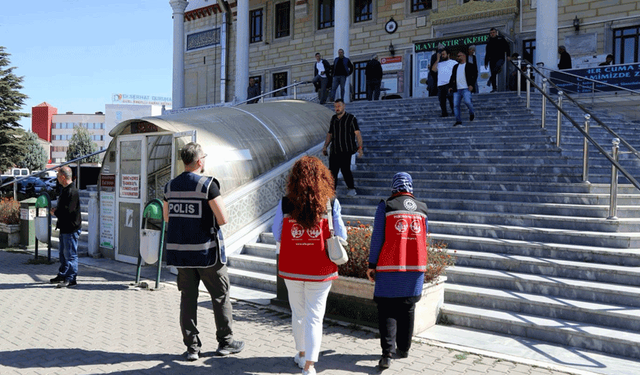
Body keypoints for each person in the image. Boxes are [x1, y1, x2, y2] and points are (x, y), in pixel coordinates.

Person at [162, 142, 244, 361]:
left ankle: (192, 348)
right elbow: (223, 218)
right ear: (200, 161)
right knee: (220, 296)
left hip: (181, 254)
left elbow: (167, 217)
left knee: (188, 298)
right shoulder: (208, 185)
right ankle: (225, 343)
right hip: (207, 254)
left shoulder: (169, 187)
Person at [272, 156, 348, 375]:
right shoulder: (330, 203)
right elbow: (341, 234)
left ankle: (302, 354)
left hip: (292, 267)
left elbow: (278, 234)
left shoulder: (285, 202)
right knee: (315, 316)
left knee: (298, 313)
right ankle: (310, 367)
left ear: (294, 179)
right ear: (323, 177)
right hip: (321, 268)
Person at [366, 172, 428, 369]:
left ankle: (387, 354)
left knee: (387, 308)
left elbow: (377, 237)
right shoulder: (422, 208)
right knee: (408, 307)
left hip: (389, 266)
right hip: (415, 266)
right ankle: (405, 348)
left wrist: (371, 265)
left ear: (394, 186)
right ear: (410, 186)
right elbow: (425, 237)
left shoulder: (386, 206)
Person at [322, 99, 364, 196]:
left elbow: (357, 134)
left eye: (339, 106)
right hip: (335, 150)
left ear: (344, 106)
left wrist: (360, 147)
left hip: (346, 149)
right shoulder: (333, 119)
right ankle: (331, 192)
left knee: (345, 170)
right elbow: (330, 133)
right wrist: (325, 146)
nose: (337, 108)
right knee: (332, 172)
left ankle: (351, 188)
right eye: (335, 106)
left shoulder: (351, 118)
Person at [49, 166, 81, 288]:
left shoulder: (72, 191)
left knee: (70, 255)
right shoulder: (65, 190)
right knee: (63, 254)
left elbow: (69, 212)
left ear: (63, 177)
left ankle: (71, 278)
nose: (57, 179)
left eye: (57, 176)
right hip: (64, 227)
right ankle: (63, 274)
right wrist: (57, 210)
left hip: (71, 228)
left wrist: (55, 213)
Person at [448, 50, 477, 127]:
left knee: (467, 102)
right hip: (457, 89)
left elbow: (474, 75)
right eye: (457, 56)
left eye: (459, 56)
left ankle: (471, 112)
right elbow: (452, 77)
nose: (457, 57)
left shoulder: (470, 66)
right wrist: (450, 86)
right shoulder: (455, 67)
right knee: (456, 105)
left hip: (466, 88)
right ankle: (458, 121)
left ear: (464, 56)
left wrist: (471, 85)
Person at [431, 48, 457, 117]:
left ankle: (454, 111)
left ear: (448, 54)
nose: (442, 56)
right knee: (442, 101)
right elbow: (433, 69)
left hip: (449, 84)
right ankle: (444, 113)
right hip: (440, 85)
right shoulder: (439, 64)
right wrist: (437, 60)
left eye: (443, 54)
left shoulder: (453, 62)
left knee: (451, 99)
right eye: (441, 54)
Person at [484, 27, 511, 92]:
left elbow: (507, 47)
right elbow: (487, 52)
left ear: (496, 33)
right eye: (491, 33)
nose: (492, 34)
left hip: (500, 58)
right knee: (493, 73)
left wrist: (508, 55)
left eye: (493, 32)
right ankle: (494, 88)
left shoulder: (501, 39)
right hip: (492, 59)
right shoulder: (489, 41)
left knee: (496, 68)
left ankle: (490, 79)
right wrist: (486, 62)